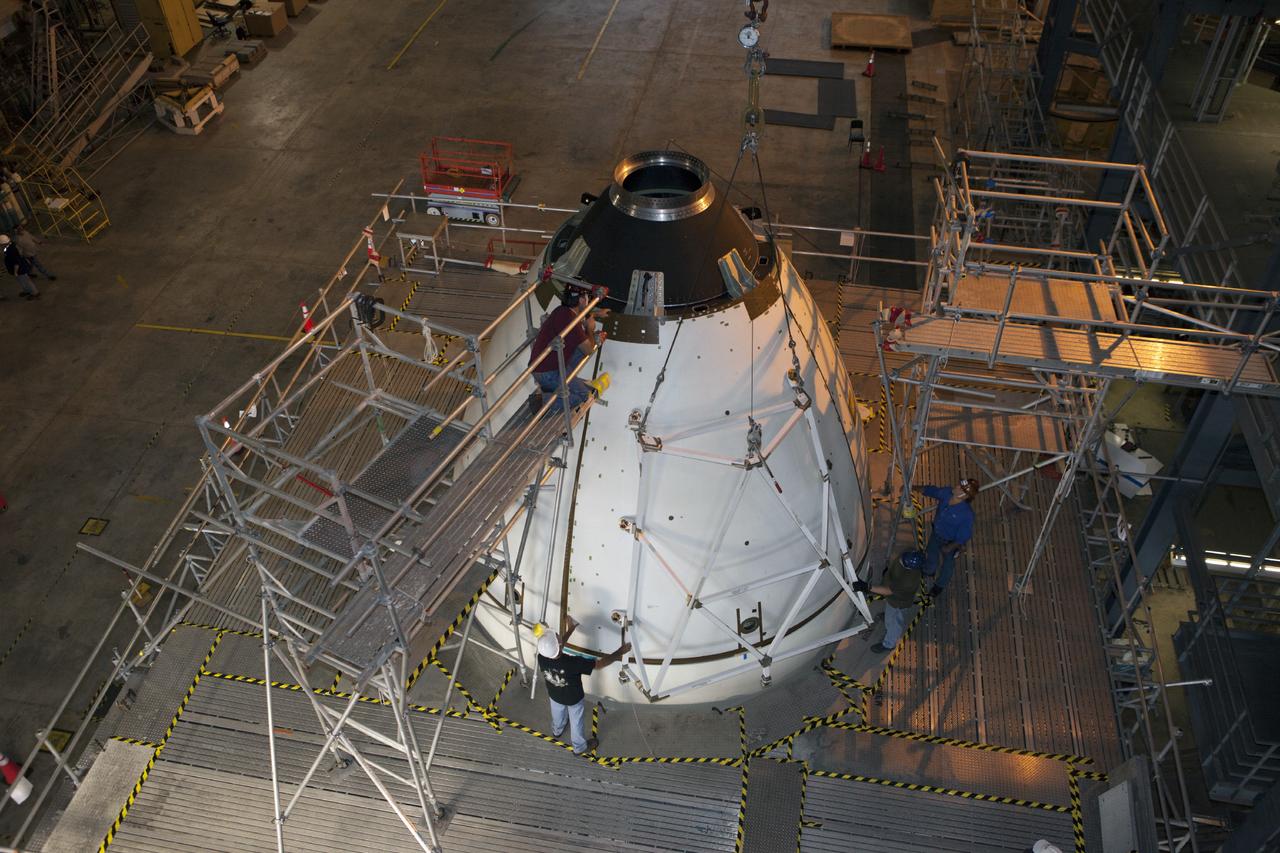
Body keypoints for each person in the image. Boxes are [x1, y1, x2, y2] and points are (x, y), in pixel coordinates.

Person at [535, 616, 629, 754]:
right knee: (576, 722)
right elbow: (599, 664)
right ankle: (579, 747)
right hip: (574, 699)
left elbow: (557, 647)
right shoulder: (574, 663)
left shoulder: (541, 656)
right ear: (559, 646)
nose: (558, 635)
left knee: (557, 713)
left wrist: (571, 628)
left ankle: (557, 730)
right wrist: (619, 653)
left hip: (554, 695)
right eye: (557, 636)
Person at [529, 287, 607, 412]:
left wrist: (596, 314)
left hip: (544, 366)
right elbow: (588, 350)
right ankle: (544, 401)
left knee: (578, 349)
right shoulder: (571, 322)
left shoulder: (562, 311)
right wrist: (590, 329)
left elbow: (580, 318)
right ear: (581, 300)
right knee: (583, 396)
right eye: (586, 298)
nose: (587, 300)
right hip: (549, 373)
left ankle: (553, 388)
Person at [916, 478, 979, 597]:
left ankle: (939, 586)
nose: (957, 487)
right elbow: (932, 491)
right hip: (937, 534)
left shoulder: (966, 515)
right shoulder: (947, 493)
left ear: (966, 496)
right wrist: (913, 487)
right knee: (931, 553)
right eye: (960, 485)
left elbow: (963, 536)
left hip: (951, 542)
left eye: (962, 489)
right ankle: (929, 571)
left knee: (948, 565)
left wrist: (950, 547)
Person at [855, 550, 925, 654]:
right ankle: (889, 618)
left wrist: (867, 587)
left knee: (894, 624)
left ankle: (889, 644)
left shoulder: (908, 581)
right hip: (893, 599)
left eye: (903, 562)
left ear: (909, 567)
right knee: (890, 614)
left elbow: (888, 591)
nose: (900, 560)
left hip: (899, 603)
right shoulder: (905, 558)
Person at [1, 234, 39, 300]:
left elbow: (16, 263)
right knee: (21, 281)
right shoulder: (10, 245)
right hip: (18, 268)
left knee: (26, 281)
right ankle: (27, 290)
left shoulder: (11, 250)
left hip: (20, 269)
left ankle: (35, 293)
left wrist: (15, 272)